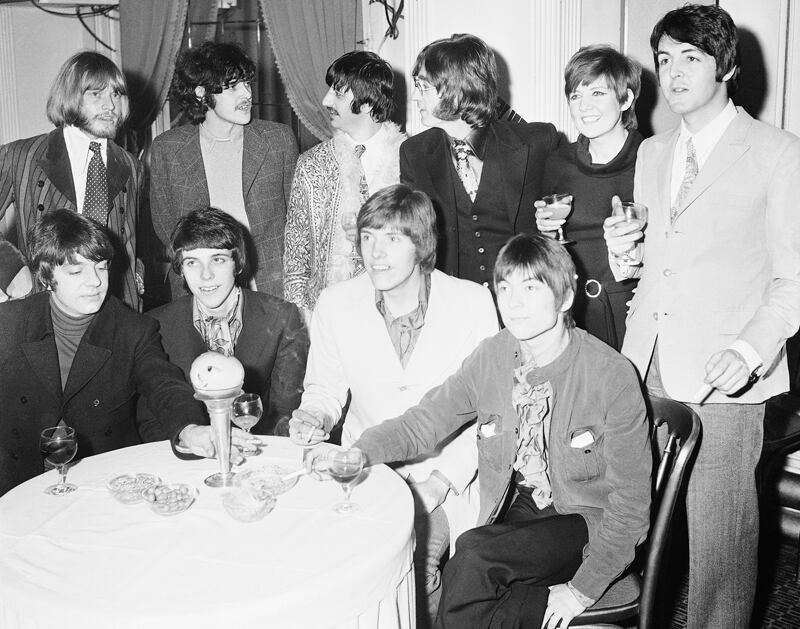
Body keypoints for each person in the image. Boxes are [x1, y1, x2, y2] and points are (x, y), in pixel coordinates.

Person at [305, 232, 651, 629]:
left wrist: (580, 592)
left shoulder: (610, 375)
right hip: (522, 507)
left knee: (471, 558)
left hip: (587, 521)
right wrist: (360, 453)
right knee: (468, 567)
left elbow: (630, 509)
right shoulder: (493, 356)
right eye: (505, 288)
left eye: (530, 288)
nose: (513, 303)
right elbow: (425, 421)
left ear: (565, 297)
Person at [603, 5, 800, 627]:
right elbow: (654, 268)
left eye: (692, 57)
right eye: (665, 59)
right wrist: (623, 254)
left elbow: (793, 280)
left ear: (727, 67)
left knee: (720, 550)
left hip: (726, 376)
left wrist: (748, 351)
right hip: (646, 363)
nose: (674, 72)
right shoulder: (653, 152)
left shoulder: (778, 154)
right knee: (637, 524)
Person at [288, 184, 498, 626]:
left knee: (414, 569)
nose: (375, 253)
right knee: (327, 565)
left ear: (421, 244)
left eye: (392, 238)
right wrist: (314, 416)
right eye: (368, 237)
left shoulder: (473, 303)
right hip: (365, 471)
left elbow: (490, 416)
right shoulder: (335, 303)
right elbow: (324, 390)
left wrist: (440, 483)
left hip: (445, 476)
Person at [0, 210, 206, 496]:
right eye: (76, 271)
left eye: (101, 267)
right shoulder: (8, 324)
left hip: (104, 481)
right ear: (46, 276)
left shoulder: (132, 329)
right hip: (19, 482)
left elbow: (165, 385)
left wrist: (190, 429)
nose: (95, 282)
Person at [400, 34, 560, 289]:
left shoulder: (537, 142)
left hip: (525, 295)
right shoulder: (414, 153)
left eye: (423, 87)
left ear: (459, 89)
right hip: (455, 300)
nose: (414, 97)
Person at [150, 41, 298, 300]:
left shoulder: (278, 140)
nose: (246, 94)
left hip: (270, 288)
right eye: (233, 87)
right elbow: (166, 226)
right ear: (201, 93)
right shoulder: (168, 149)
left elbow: (297, 222)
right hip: (200, 289)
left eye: (247, 84)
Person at [143, 207, 308, 437]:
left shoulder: (282, 317)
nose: (206, 275)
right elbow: (150, 422)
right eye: (192, 262)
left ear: (237, 263)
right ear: (180, 269)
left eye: (218, 260)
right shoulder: (155, 326)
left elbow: (285, 415)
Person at [0, 51, 143, 311]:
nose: (110, 106)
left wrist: (135, 297)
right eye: (96, 94)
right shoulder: (20, 156)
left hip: (113, 308)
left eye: (116, 94)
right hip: (44, 304)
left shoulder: (131, 165)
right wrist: (12, 272)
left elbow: (130, 242)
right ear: (70, 95)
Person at [283, 50, 405, 319]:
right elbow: (295, 258)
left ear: (367, 102)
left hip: (395, 314)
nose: (326, 100)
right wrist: (304, 323)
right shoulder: (312, 164)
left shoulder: (410, 160)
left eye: (338, 93)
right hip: (329, 317)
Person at [536, 45, 642, 350]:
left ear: (625, 99)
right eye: (575, 96)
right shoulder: (558, 161)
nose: (584, 106)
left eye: (597, 93)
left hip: (631, 316)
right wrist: (545, 231)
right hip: (571, 314)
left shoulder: (651, 158)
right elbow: (548, 251)